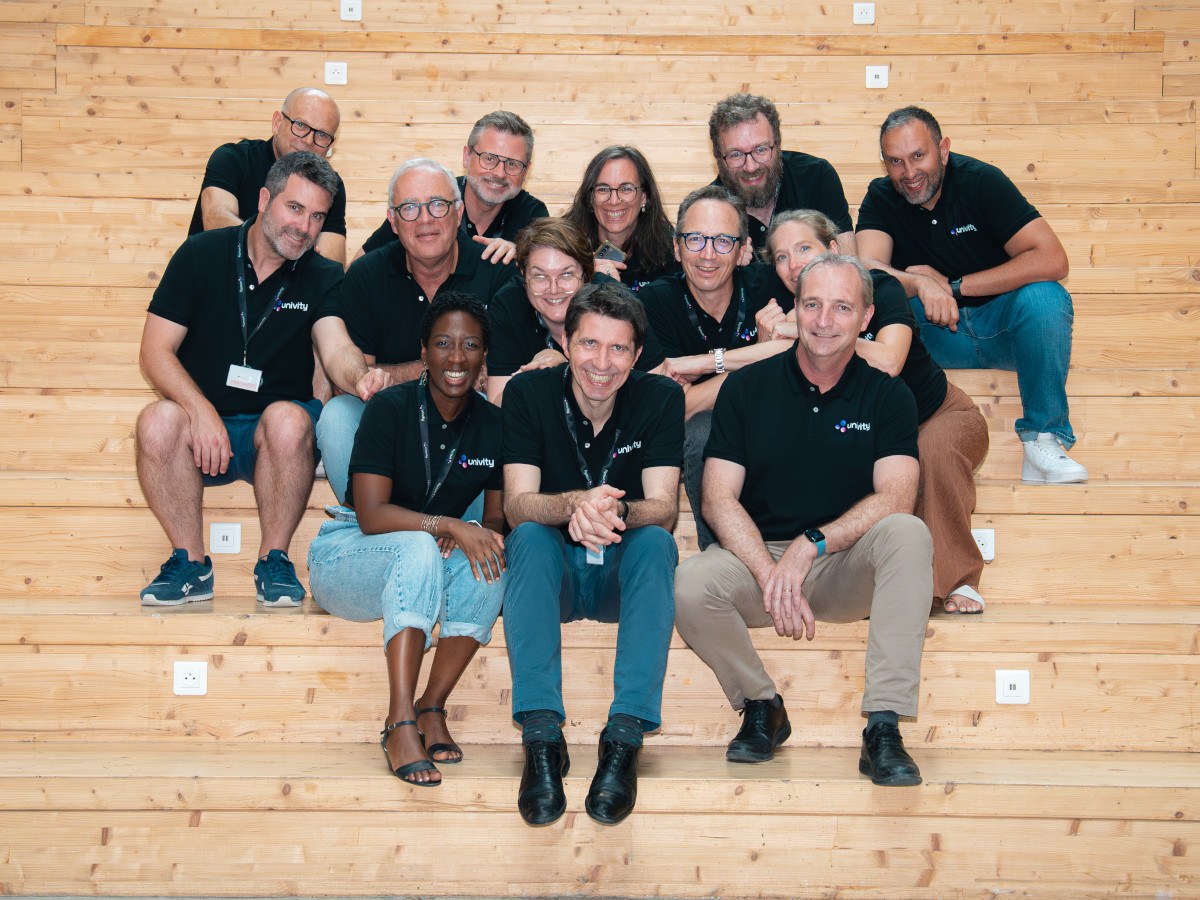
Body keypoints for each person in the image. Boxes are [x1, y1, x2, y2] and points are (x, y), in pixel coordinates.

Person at [674, 253, 933, 787]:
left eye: (842, 307)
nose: (824, 321)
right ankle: (761, 705)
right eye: (812, 305)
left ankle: (883, 727)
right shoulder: (747, 388)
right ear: (795, 309)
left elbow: (897, 497)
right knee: (688, 583)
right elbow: (718, 498)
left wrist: (812, 543)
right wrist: (770, 573)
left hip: (844, 562)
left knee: (907, 533)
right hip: (760, 561)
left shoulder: (889, 395)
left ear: (866, 317)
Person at [137, 151, 390, 607]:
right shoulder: (200, 254)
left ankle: (274, 560)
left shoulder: (323, 275)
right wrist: (200, 410)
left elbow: (336, 348)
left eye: (317, 217)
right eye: (295, 208)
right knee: (156, 420)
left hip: (273, 440)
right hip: (201, 430)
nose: (305, 227)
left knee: (289, 420)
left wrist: (360, 377)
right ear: (262, 199)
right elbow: (154, 351)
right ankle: (190, 564)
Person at [501, 282, 683, 826]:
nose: (602, 364)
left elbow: (665, 508)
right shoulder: (527, 393)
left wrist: (617, 512)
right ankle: (542, 739)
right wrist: (575, 505)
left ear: (637, 353)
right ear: (565, 342)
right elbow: (516, 504)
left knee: (657, 541)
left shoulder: (661, 398)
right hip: (551, 577)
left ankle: (624, 738)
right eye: (589, 344)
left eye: (618, 348)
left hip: (618, 580)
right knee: (528, 535)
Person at [307, 293, 505, 787]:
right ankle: (399, 722)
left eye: (470, 345)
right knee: (419, 546)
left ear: (484, 357)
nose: (456, 357)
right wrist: (446, 525)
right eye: (443, 343)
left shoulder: (494, 425)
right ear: (423, 351)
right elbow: (371, 514)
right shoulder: (389, 409)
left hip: (424, 556)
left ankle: (431, 707)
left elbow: (495, 522)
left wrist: (468, 534)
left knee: (490, 559)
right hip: (349, 554)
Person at [763, 209, 989, 614]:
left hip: (938, 414)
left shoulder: (880, 287)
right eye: (781, 256)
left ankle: (957, 580)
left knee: (932, 450)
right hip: (869, 434)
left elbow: (890, 359)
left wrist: (813, 330)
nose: (793, 264)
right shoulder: (785, 314)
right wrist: (715, 360)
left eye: (803, 248)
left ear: (834, 249)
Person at [856, 105, 1087, 484]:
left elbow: (1053, 259)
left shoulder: (981, 181)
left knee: (1046, 297)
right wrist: (920, 284)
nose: (909, 173)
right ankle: (885, 442)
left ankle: (1042, 439)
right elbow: (867, 269)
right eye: (896, 161)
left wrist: (952, 286)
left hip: (1005, 331)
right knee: (878, 308)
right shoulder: (881, 196)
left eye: (918, 155)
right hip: (933, 337)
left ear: (943, 149)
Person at [316, 159, 516, 504]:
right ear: (393, 222)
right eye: (409, 208)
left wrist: (393, 374)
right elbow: (361, 380)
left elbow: (493, 377)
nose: (425, 219)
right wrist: (447, 371)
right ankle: (368, 517)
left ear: (458, 212)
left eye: (437, 205)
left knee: (487, 408)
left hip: (466, 431)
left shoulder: (497, 271)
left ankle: (463, 528)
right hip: (392, 427)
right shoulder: (366, 275)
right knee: (338, 414)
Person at [639, 185, 792, 550]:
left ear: (743, 250)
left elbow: (801, 349)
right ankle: (723, 557)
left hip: (776, 416)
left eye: (723, 241)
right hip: (703, 434)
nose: (707, 254)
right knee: (703, 430)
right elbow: (675, 406)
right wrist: (760, 355)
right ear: (677, 247)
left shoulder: (770, 285)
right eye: (695, 239)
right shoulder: (654, 302)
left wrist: (709, 366)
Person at [486, 217, 666, 405]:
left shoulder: (618, 304)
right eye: (540, 276)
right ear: (524, 276)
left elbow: (659, 395)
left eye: (566, 274)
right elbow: (498, 406)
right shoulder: (509, 304)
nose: (553, 289)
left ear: (587, 275)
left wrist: (564, 368)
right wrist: (542, 377)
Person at [355, 110, 548, 265]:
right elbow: (357, 269)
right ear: (466, 157)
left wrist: (523, 259)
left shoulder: (533, 216)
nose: (499, 173)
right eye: (489, 159)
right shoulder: (432, 198)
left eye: (513, 164)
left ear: (526, 171)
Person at [188, 87, 349, 265]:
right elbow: (216, 220)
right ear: (277, 123)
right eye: (300, 125)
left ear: (330, 145)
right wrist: (283, 248)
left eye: (322, 135)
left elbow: (331, 265)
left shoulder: (331, 185)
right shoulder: (233, 158)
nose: (308, 141)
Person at [707, 92, 853, 254]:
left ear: (778, 144)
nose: (751, 167)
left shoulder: (816, 177)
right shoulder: (708, 209)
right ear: (718, 157)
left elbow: (848, 260)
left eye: (760, 149)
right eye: (735, 154)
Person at [562, 145, 681, 292]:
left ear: (644, 197)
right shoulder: (564, 246)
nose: (613, 201)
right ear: (591, 197)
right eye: (603, 189)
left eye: (626, 188)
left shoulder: (669, 251)